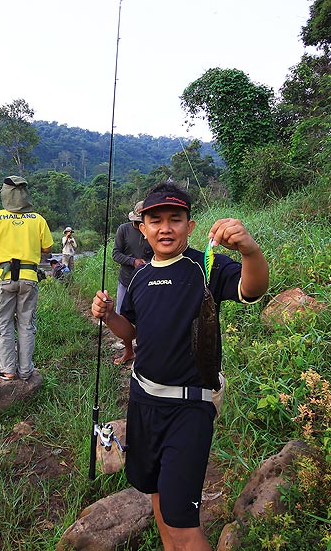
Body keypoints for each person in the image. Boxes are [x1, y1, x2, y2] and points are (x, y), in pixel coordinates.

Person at [90, 182, 269, 551]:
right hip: (142, 402)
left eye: (176, 219)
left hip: (190, 407)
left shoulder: (207, 265)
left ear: (190, 225)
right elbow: (133, 332)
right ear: (143, 229)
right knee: (155, 492)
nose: (165, 228)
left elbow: (253, 290)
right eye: (155, 221)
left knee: (183, 522)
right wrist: (109, 317)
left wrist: (250, 251)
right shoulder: (139, 277)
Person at [0, 176, 54, 381]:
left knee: (4, 325)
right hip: (29, 278)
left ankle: (8, 370)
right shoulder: (38, 219)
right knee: (26, 325)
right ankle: (25, 370)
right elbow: (47, 248)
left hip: (3, 279)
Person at [110, 200, 152, 365]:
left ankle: (144, 351)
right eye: (136, 221)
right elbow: (115, 254)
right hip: (126, 281)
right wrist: (132, 261)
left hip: (147, 282)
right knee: (122, 317)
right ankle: (128, 351)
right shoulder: (123, 230)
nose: (138, 225)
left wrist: (147, 263)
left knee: (146, 317)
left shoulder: (153, 231)